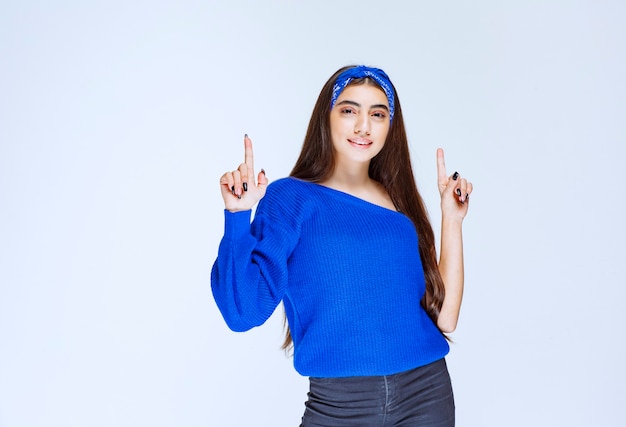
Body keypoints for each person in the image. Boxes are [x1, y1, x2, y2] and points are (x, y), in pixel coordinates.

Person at [211, 65, 473, 426]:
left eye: (377, 114)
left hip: (426, 394)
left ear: (389, 127)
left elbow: (445, 316)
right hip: (338, 406)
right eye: (349, 110)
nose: (364, 126)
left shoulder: (398, 203)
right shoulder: (291, 198)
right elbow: (242, 313)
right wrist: (238, 217)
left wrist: (452, 221)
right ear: (327, 118)